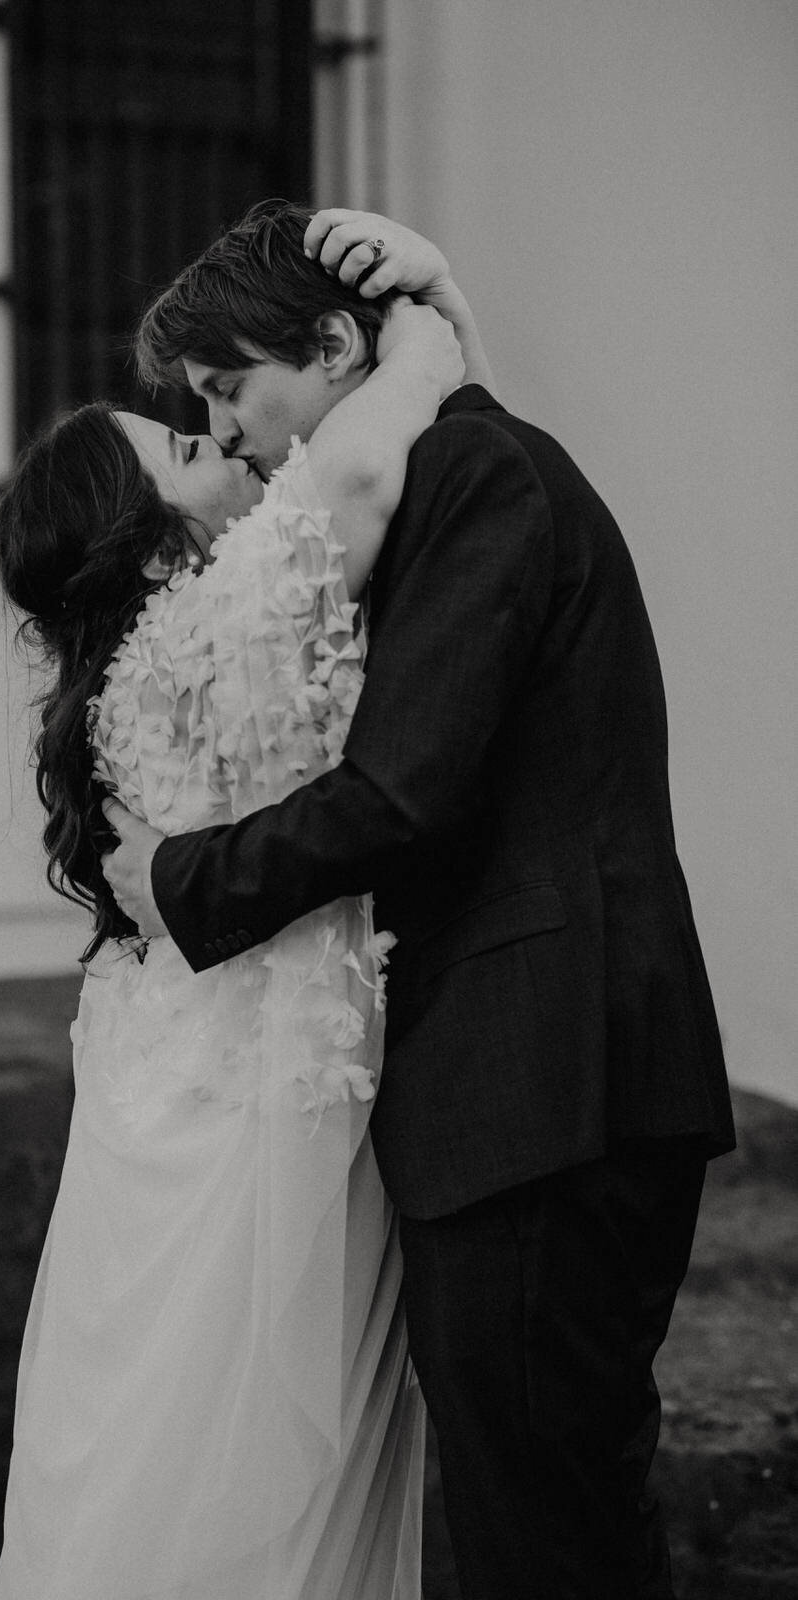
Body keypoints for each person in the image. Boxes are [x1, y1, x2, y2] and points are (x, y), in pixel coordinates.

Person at [102, 201, 737, 1600]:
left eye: (231, 390)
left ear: (332, 347)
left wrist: (178, 879)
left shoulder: (477, 471)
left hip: (551, 1081)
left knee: (545, 1531)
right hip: (529, 1089)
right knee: (545, 1513)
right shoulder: (449, 466)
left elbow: (404, 791)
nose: (235, 431)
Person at [0, 257, 472, 1598]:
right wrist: (427, 332)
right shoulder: (212, 621)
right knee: (248, 1461)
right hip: (264, 1103)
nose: (230, 450)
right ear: (143, 534)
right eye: (189, 447)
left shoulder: (120, 681)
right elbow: (362, 477)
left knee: (153, 1431)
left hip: (172, 1084)